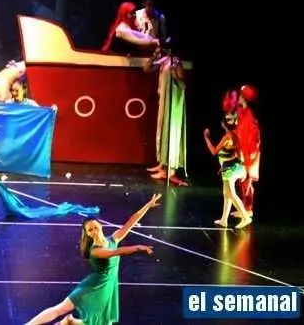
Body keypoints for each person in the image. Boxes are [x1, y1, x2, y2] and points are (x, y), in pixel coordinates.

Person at [23, 194, 161, 325]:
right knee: (60, 309)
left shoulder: (113, 239)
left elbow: (131, 221)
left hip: (107, 286)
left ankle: (70, 322)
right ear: (88, 234)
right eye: (90, 230)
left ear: (100, 225)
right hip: (94, 286)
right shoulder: (95, 250)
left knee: (103, 322)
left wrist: (148, 205)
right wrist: (137, 247)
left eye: (95, 227)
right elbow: (116, 252)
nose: (94, 231)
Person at [144, 49, 187, 186]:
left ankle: (170, 170)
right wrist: (154, 56)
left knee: (171, 134)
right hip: (164, 100)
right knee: (162, 132)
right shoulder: (164, 61)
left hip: (173, 104)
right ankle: (162, 164)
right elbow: (147, 69)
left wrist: (175, 75)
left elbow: (183, 85)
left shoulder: (176, 62)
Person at [203, 117, 253, 229]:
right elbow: (236, 154)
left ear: (224, 124)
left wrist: (206, 138)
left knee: (231, 194)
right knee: (226, 193)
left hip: (230, 169)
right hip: (230, 167)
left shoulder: (227, 137)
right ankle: (224, 220)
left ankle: (245, 217)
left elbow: (214, 151)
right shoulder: (235, 135)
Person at [236, 84, 260, 217]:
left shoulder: (250, 117)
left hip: (249, 153)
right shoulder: (242, 113)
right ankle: (243, 208)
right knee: (242, 182)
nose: (239, 97)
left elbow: (254, 137)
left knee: (247, 182)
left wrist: (250, 155)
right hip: (242, 152)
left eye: (241, 95)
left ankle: (248, 209)